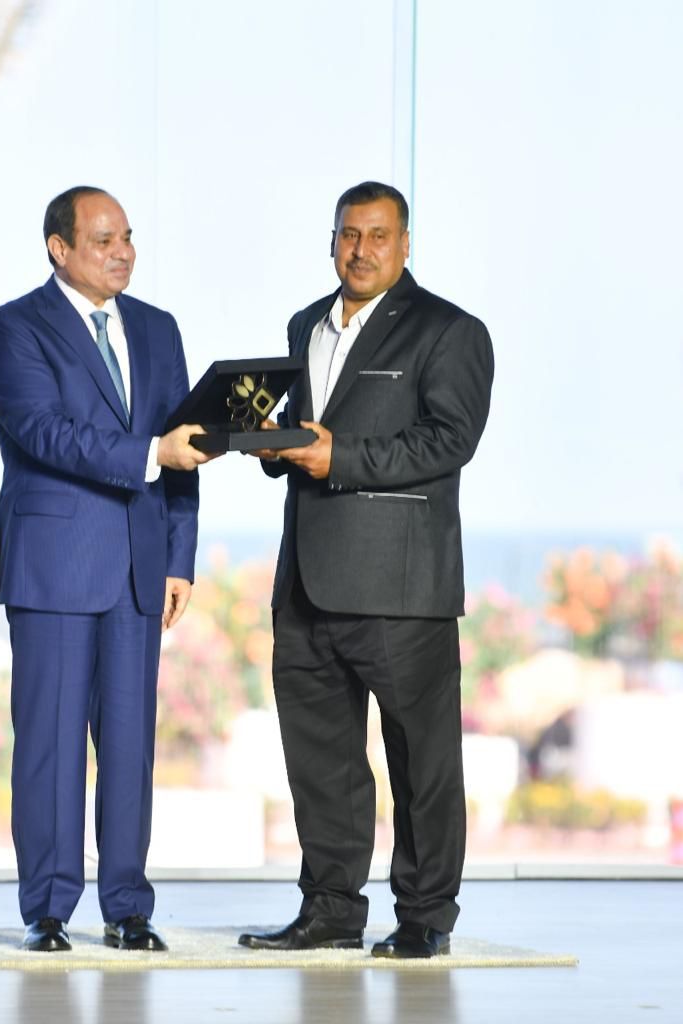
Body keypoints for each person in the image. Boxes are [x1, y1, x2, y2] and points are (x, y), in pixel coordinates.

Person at [240, 181, 494, 958]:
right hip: (305, 585)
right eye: (349, 235)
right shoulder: (302, 325)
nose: (361, 250)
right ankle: (329, 910)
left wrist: (339, 457)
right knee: (320, 762)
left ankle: (424, 917)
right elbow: (300, 431)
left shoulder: (449, 331)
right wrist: (260, 440)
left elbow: (449, 440)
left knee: (422, 763)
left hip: (400, 588)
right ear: (331, 241)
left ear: (405, 244)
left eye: (378, 235)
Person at [0, 186, 215, 953]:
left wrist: (178, 556)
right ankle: (47, 910)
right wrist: (151, 452)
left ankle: (127, 908)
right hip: (54, 566)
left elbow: (184, 452)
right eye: (104, 240)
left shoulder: (157, 328)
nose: (123, 253)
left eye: (128, 238)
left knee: (129, 747)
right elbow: (44, 432)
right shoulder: (13, 328)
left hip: (140, 568)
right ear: (59, 247)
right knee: (48, 747)